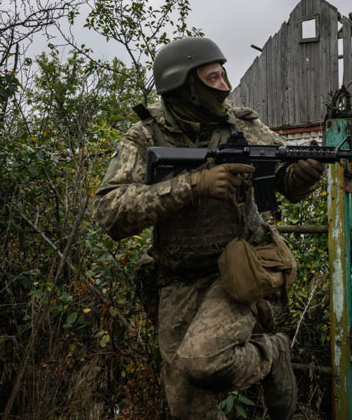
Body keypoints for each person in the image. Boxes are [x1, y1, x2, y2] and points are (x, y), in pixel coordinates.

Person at [94, 37, 324, 420]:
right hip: (176, 279)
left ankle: (272, 352)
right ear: (186, 86)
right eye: (213, 77)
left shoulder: (241, 125)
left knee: (203, 361)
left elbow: (283, 177)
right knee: (187, 407)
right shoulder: (145, 135)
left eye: (223, 74)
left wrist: (305, 174)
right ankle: (269, 354)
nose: (225, 85)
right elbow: (109, 211)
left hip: (235, 270)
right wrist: (194, 185)